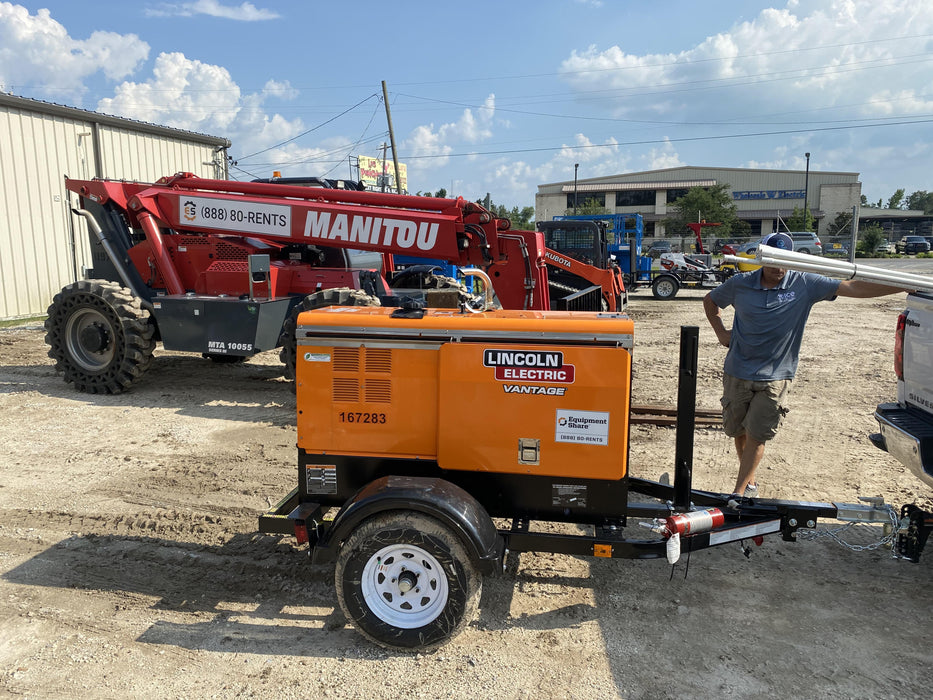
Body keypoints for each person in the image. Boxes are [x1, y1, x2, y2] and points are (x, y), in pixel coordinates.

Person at [703, 233, 902, 498]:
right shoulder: (741, 283)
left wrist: (902, 286)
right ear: (762, 258)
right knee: (738, 431)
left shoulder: (805, 283)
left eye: (785, 261)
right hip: (737, 371)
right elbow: (711, 300)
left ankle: (739, 494)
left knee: (757, 435)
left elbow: (852, 287)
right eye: (773, 260)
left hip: (775, 376)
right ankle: (749, 481)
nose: (779, 268)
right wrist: (720, 332)